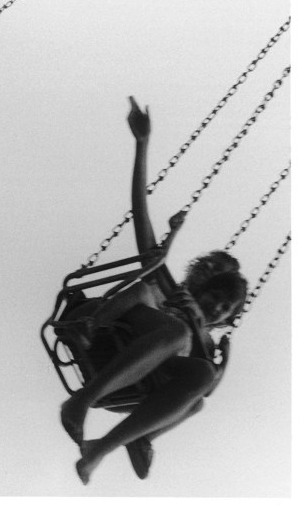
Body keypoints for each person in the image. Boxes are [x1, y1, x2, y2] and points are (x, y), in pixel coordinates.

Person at [59, 96, 248, 484]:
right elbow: (140, 214)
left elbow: (206, 387)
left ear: (229, 319)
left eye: (223, 308)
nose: (214, 306)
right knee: (152, 288)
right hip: (101, 335)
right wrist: (142, 145)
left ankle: (106, 447)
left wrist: (219, 363)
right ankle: (81, 396)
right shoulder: (168, 289)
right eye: (213, 294)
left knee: (199, 386)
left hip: (131, 380)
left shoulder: (203, 345)